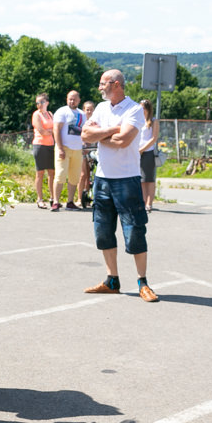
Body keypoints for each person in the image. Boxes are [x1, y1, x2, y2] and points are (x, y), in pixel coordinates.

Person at [81, 70, 158, 303]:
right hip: (103, 179)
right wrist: (114, 129)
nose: (99, 88)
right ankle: (111, 280)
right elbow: (85, 134)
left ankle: (142, 282)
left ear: (116, 84)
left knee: (134, 229)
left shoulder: (134, 109)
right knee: (103, 231)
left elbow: (124, 141)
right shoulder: (102, 109)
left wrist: (101, 135)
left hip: (127, 179)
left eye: (102, 84)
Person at [52, 90, 85, 211]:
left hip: (77, 149)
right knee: (60, 175)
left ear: (79, 100)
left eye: (74, 99)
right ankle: (56, 201)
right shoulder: (62, 111)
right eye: (70, 99)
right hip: (64, 148)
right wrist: (60, 148)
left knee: (74, 177)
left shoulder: (82, 114)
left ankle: (70, 201)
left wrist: (84, 145)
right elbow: (56, 130)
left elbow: (84, 131)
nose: (72, 101)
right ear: (67, 99)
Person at [31, 93, 55, 209]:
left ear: (47, 103)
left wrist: (49, 130)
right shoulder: (36, 115)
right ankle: (39, 199)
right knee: (40, 173)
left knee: (52, 173)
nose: (39, 105)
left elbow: (55, 129)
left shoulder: (50, 114)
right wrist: (50, 130)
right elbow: (41, 131)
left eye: (41, 102)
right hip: (39, 145)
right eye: (37, 103)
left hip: (51, 145)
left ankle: (53, 198)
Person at [138, 99, 159, 212]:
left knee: (149, 179)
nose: (141, 110)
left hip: (147, 152)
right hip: (137, 152)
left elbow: (153, 138)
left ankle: (149, 203)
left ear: (147, 109)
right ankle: (143, 201)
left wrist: (142, 149)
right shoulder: (138, 120)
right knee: (141, 179)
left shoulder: (153, 121)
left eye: (143, 108)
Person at [78, 100, 96, 209]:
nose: (88, 111)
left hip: (93, 149)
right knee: (83, 175)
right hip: (83, 150)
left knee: (90, 175)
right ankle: (80, 198)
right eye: (86, 109)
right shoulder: (81, 122)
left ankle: (87, 197)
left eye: (90, 109)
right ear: (83, 110)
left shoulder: (95, 122)